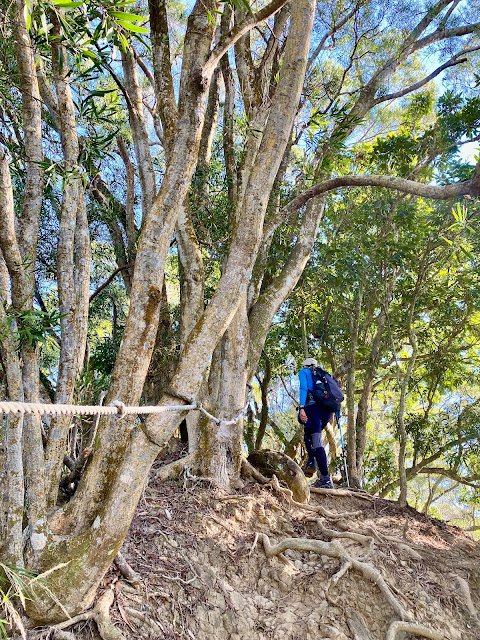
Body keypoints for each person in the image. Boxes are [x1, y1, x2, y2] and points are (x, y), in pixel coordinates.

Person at [298, 357, 334, 489]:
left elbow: (303, 388)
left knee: (316, 441)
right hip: (327, 411)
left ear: (305, 365)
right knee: (309, 436)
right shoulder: (325, 374)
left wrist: (302, 407)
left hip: (313, 409)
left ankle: (325, 479)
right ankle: (311, 461)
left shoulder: (304, 372)